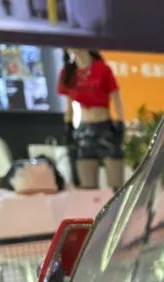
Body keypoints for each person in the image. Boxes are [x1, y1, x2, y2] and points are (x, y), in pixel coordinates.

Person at [58, 49, 125, 190]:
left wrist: (119, 122)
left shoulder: (102, 69)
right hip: (84, 130)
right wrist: (68, 125)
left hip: (105, 128)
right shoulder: (68, 72)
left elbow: (116, 97)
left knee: (116, 186)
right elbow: (69, 104)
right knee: (87, 187)